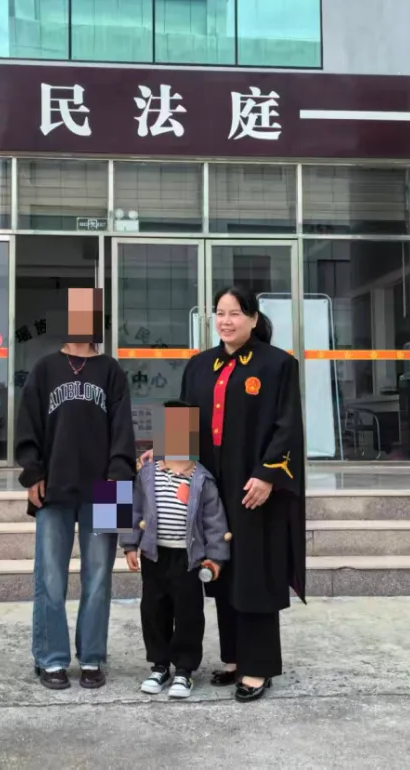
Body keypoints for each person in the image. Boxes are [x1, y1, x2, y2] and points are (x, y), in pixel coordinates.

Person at [144, 285, 306, 703]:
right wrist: (161, 453)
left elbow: (287, 425)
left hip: (253, 490)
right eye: (220, 312)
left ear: (253, 318)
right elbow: (183, 421)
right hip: (208, 489)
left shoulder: (278, 365)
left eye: (235, 313)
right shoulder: (199, 366)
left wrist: (268, 475)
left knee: (254, 573)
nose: (226, 321)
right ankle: (234, 659)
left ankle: (258, 667)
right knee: (219, 571)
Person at [15, 287, 137, 691]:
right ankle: (50, 658)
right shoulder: (45, 369)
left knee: (99, 577)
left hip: (108, 489)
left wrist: (120, 478)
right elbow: (28, 426)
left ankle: (92, 657)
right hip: (54, 485)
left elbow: (123, 429)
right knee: (50, 577)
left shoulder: (112, 371)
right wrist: (32, 473)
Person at [122, 400, 230, 700]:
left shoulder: (202, 479)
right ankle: (159, 665)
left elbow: (214, 521)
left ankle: (184, 669)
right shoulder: (147, 474)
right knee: (153, 611)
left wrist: (216, 558)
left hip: (189, 559)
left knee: (188, 613)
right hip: (154, 556)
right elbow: (134, 509)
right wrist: (129, 544)